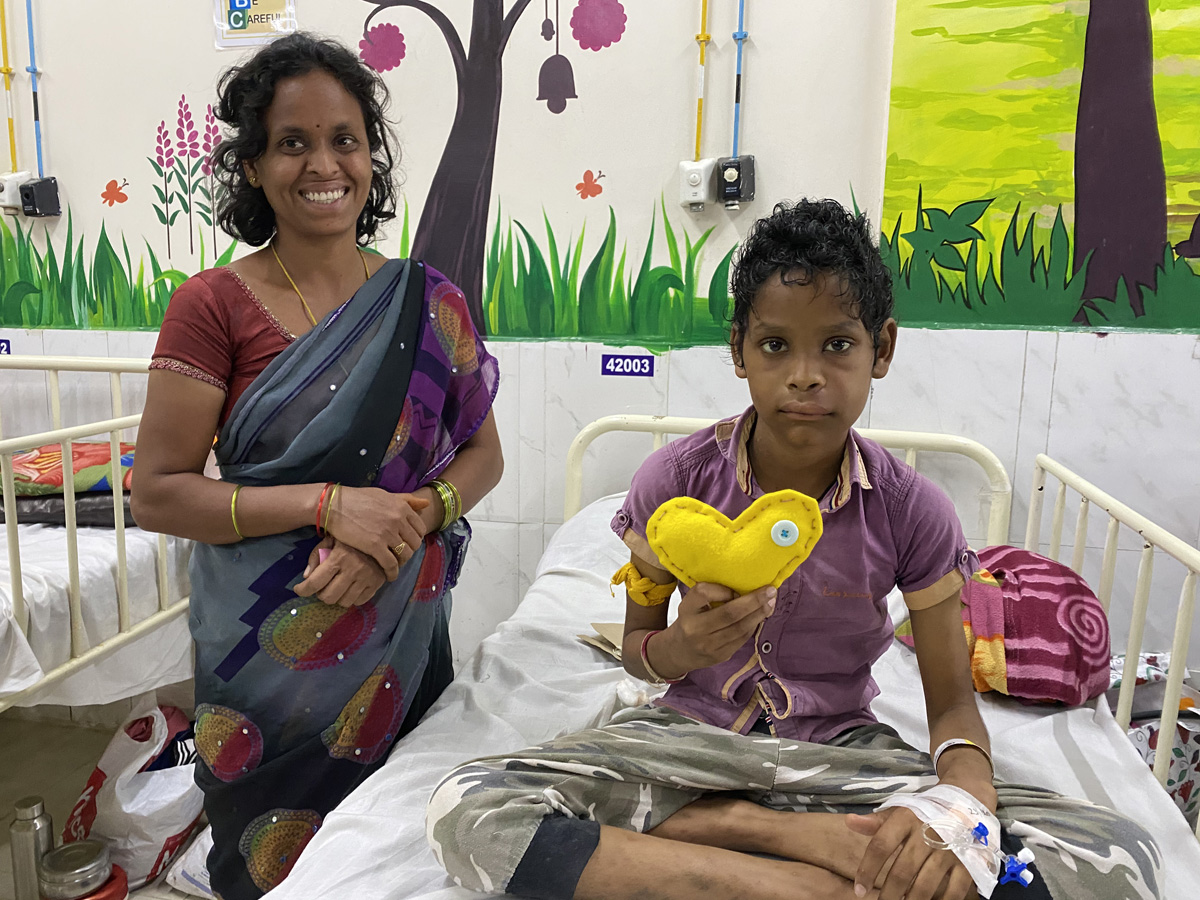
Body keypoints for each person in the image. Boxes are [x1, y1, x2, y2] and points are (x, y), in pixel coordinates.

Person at [425, 200, 1161, 900]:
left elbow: (950, 705)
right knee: (469, 806)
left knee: (1118, 854)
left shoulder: (912, 510)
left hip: (842, 757)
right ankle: (795, 867)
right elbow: (639, 654)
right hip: (687, 742)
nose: (805, 374)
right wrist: (683, 647)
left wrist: (959, 812)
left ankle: (717, 827)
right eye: (775, 345)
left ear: (882, 349)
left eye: (837, 345)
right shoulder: (673, 485)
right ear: (739, 351)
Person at [131, 33, 503, 900]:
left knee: (399, 852)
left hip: (398, 629)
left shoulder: (427, 298)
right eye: (292, 142)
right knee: (269, 860)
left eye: (345, 139)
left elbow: (482, 456)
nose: (323, 164)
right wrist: (331, 504)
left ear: (372, 158)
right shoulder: (212, 306)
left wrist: (411, 519)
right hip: (261, 645)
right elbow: (157, 493)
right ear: (253, 166)